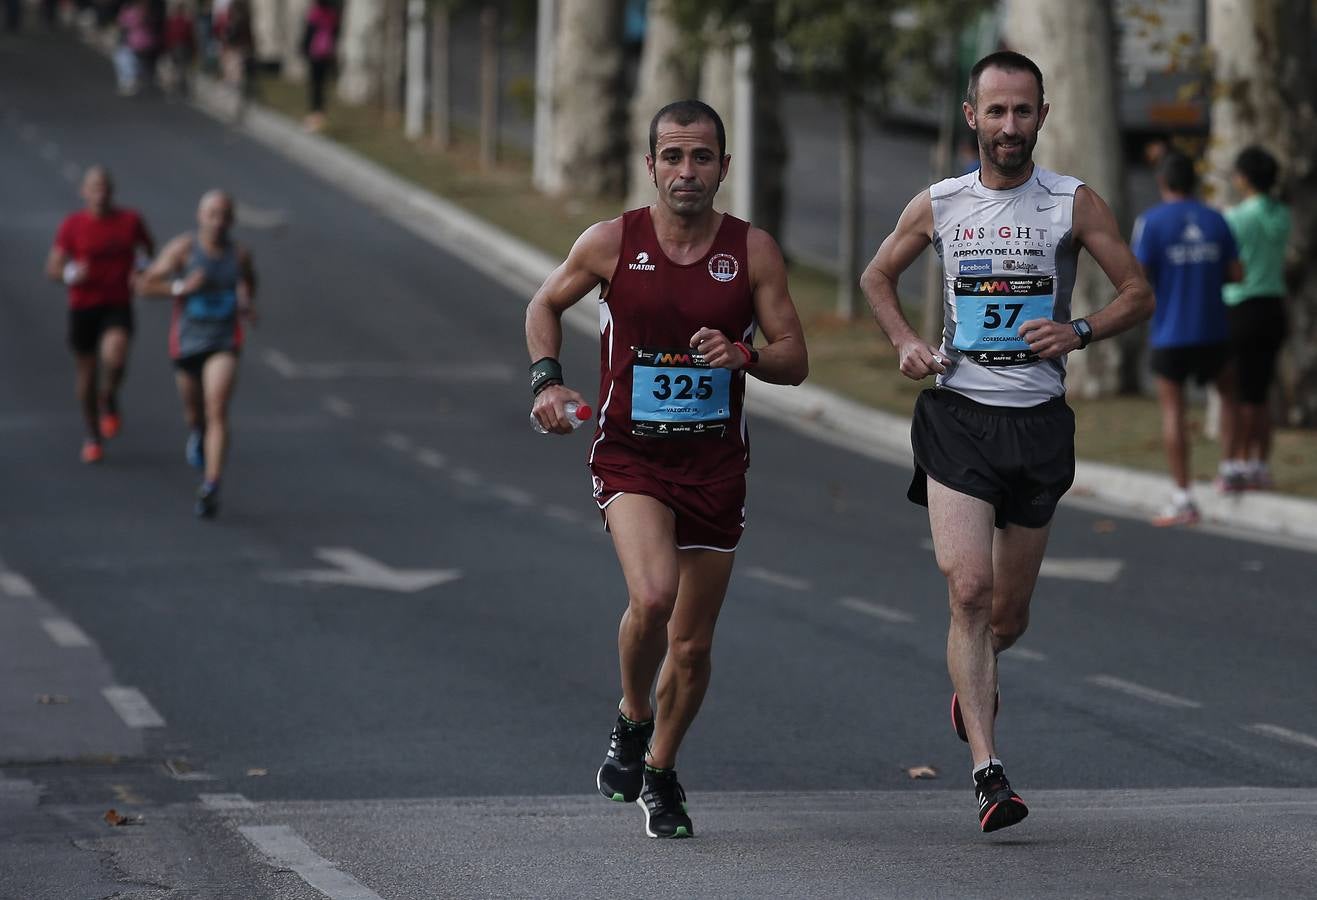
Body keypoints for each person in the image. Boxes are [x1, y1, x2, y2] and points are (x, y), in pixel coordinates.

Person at [859, 51, 1154, 833]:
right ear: (970, 117)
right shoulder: (941, 203)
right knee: (967, 591)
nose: (1009, 126)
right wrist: (903, 342)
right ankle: (988, 773)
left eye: (1022, 111)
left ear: (1042, 116)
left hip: (1037, 424)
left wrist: (1079, 329)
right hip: (957, 414)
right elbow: (874, 277)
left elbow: (1138, 291)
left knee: (1006, 618)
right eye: (995, 111)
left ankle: (975, 677)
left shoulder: (1071, 203)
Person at [526, 100, 808, 838]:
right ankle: (632, 712)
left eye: (702, 157)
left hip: (715, 467)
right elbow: (543, 305)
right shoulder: (611, 241)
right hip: (632, 457)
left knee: (691, 644)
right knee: (652, 598)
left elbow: (794, 359)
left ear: (722, 166)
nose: (687, 171)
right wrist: (547, 382)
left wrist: (743, 355)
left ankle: (660, 768)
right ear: (650, 164)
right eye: (673, 157)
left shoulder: (752, 252)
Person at [1132, 151, 1245, 525]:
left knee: (1173, 411)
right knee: (1228, 397)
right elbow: (1236, 274)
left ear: (1163, 182)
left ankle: (1183, 495)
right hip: (1214, 328)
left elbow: (1137, 278)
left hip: (1170, 332)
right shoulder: (1217, 219)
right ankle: (1230, 468)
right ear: (1194, 182)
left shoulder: (1150, 222)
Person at [137, 190, 256, 518]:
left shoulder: (239, 255)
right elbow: (144, 285)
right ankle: (197, 434)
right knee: (196, 415)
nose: (218, 222)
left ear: (232, 220)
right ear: (200, 216)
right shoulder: (184, 250)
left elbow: (248, 282)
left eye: (224, 215)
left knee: (217, 406)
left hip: (223, 341)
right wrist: (179, 288)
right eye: (212, 214)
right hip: (188, 343)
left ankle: (211, 485)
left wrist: (246, 304)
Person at [46, 166, 155, 463]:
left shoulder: (130, 221)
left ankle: (108, 395)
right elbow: (53, 267)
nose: (100, 193)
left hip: (117, 302)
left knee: (116, 356)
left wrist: (142, 269)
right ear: (84, 192)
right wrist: (70, 273)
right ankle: (92, 435)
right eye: (94, 187)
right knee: (87, 373)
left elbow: (148, 250)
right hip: (83, 306)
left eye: (104, 187)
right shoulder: (73, 225)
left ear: (112, 190)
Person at [1223, 145, 1291, 491]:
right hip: (1275, 307)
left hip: (1241, 306)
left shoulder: (1236, 217)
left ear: (1245, 178)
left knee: (1239, 394)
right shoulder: (1282, 215)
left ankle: (1238, 462)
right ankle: (1260, 463)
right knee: (1262, 392)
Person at [300, 0, 339, 132]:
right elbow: (335, 34)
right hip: (326, 54)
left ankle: (314, 116)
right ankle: (320, 115)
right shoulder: (332, 15)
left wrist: (303, 49)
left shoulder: (316, 14)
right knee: (321, 86)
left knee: (315, 86)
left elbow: (309, 33)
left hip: (315, 53)